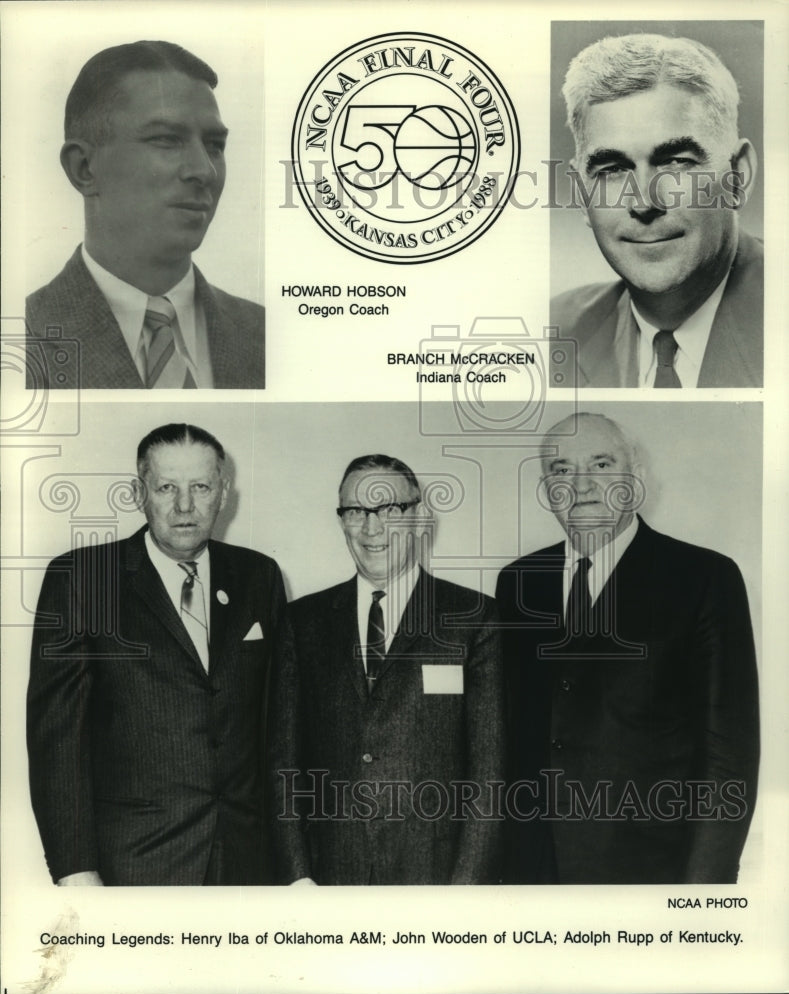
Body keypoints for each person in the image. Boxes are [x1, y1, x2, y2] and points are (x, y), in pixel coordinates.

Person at [495, 413, 760, 883]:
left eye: (601, 464)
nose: (581, 485)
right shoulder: (518, 583)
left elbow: (729, 755)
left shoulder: (702, 578)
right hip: (532, 873)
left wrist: (703, 891)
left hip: (653, 872)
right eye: (560, 470)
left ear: (634, 478)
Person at [27, 423, 286, 885]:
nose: (184, 506)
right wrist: (75, 870)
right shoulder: (83, 580)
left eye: (201, 487)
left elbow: (277, 726)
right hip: (135, 862)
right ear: (137, 492)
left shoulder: (258, 577)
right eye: (167, 487)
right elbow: (58, 744)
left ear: (223, 493)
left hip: (248, 862)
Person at [269, 454, 506, 885]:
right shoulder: (303, 622)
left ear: (418, 517)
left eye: (389, 510)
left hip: (436, 877)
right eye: (356, 511)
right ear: (342, 520)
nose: (372, 528)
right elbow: (284, 759)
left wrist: (467, 884)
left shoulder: (473, 618)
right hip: (330, 877)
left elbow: (490, 769)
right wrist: (298, 877)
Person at [26, 41, 264, 389]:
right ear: (84, 168)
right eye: (167, 140)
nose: (205, 170)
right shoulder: (23, 336)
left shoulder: (266, 335)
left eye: (215, 145)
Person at [550, 34, 762, 388]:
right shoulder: (553, 333)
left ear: (738, 177)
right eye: (612, 169)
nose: (644, 203)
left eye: (676, 163)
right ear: (579, 193)